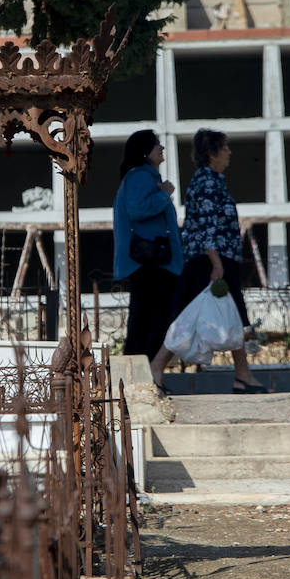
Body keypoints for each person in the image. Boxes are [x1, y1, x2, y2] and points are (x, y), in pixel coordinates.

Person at [161, 128, 269, 394]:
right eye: (225, 148)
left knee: (233, 314)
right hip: (210, 261)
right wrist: (217, 263)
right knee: (187, 317)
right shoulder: (207, 182)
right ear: (212, 152)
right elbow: (207, 225)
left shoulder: (211, 181)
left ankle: (242, 375)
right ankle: (156, 367)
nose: (229, 152)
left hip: (216, 258)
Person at [113, 130, 182, 389]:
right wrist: (164, 194)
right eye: (156, 145)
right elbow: (138, 209)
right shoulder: (141, 176)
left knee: (148, 321)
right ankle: (139, 383)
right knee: (151, 322)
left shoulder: (144, 176)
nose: (162, 148)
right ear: (145, 152)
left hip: (152, 263)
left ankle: (140, 382)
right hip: (150, 263)